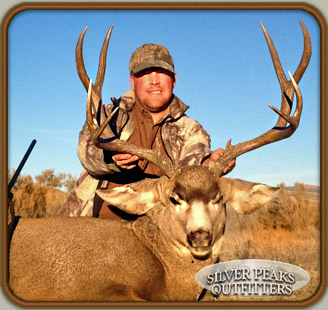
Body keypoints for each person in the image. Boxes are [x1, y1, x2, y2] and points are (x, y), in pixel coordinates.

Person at [62, 43, 235, 218]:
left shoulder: (190, 129)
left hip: (163, 231)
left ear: (174, 80)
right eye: (145, 73)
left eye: (161, 72)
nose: (154, 80)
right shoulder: (107, 115)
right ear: (132, 81)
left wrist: (210, 164)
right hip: (94, 226)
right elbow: (86, 151)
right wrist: (110, 158)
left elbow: (195, 161)